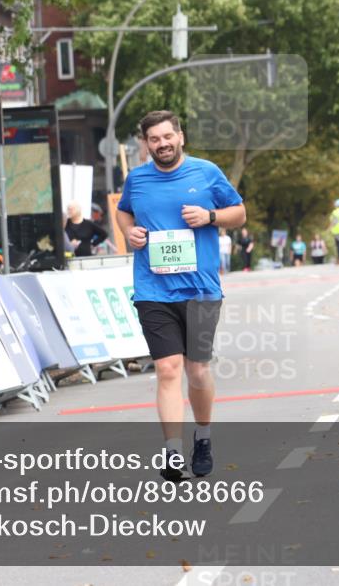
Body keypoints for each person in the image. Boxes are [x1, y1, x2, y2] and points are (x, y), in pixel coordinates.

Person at [115, 110, 246, 481]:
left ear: (180, 137)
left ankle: (202, 438)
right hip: (152, 289)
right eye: (154, 139)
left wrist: (209, 217)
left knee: (197, 369)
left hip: (201, 289)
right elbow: (123, 213)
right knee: (167, 368)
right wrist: (130, 233)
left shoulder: (206, 172)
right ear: (146, 144)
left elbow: (239, 213)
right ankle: (172, 452)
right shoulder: (137, 180)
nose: (162, 144)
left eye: (167, 136)